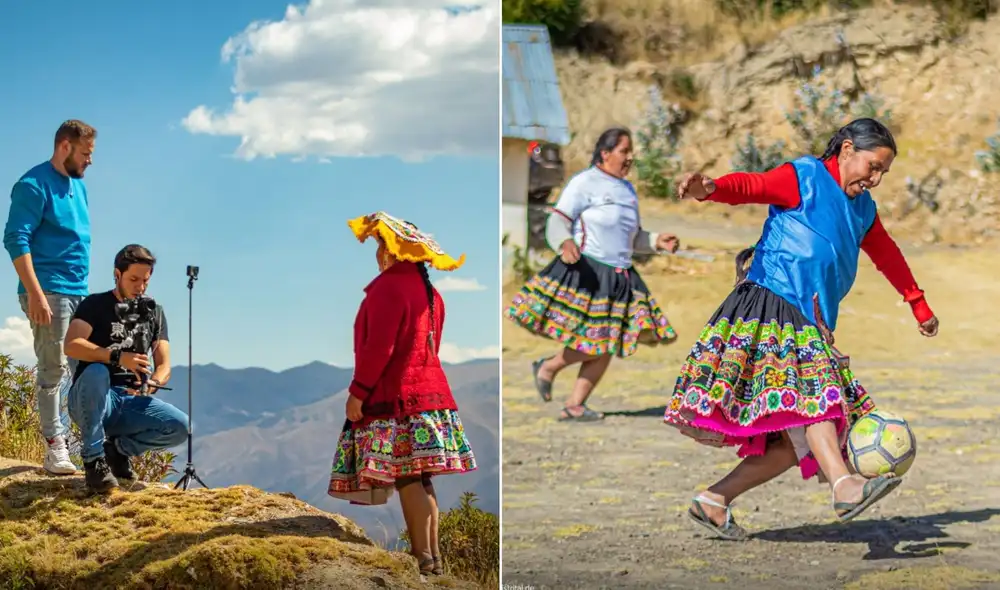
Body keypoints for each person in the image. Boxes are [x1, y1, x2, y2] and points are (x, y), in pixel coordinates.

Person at [663, 118, 939, 539]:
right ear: (846, 150)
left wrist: (917, 303)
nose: (877, 179)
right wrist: (711, 188)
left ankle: (713, 501)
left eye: (884, 171)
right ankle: (844, 485)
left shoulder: (863, 210)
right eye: (873, 166)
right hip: (773, 302)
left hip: (812, 320)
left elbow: (887, 254)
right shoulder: (804, 177)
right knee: (817, 397)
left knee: (792, 445)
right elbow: (752, 186)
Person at [328, 212, 477, 576]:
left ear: (393, 251)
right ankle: (434, 558)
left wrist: (358, 393)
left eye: (381, 245)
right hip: (432, 398)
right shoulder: (431, 294)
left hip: (398, 401)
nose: (377, 252)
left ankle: (422, 559)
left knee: (409, 477)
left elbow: (379, 349)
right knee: (420, 478)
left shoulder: (388, 289)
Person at [505, 127, 680, 422]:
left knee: (607, 342)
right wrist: (564, 242)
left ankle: (574, 404)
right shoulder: (584, 183)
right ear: (605, 153)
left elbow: (631, 237)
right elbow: (558, 220)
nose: (630, 157)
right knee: (598, 340)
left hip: (621, 274)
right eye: (624, 151)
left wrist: (655, 241)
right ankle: (550, 366)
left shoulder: (627, 191)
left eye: (630, 152)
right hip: (589, 271)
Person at [3, 119, 97, 475]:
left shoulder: (78, 187)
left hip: (79, 290)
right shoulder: (31, 185)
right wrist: (35, 293)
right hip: (48, 290)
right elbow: (15, 239)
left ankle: (90, 447)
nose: (90, 161)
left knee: (84, 370)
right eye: (85, 154)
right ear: (64, 147)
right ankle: (54, 447)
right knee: (53, 369)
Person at [64, 244, 189, 493]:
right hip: (92, 395)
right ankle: (94, 462)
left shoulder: (154, 312)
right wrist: (118, 357)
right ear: (117, 274)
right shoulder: (95, 304)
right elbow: (72, 345)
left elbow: (164, 364)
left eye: (145, 280)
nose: (140, 287)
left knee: (180, 427)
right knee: (98, 372)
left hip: (129, 400)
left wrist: (152, 383)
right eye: (133, 279)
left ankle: (118, 452)